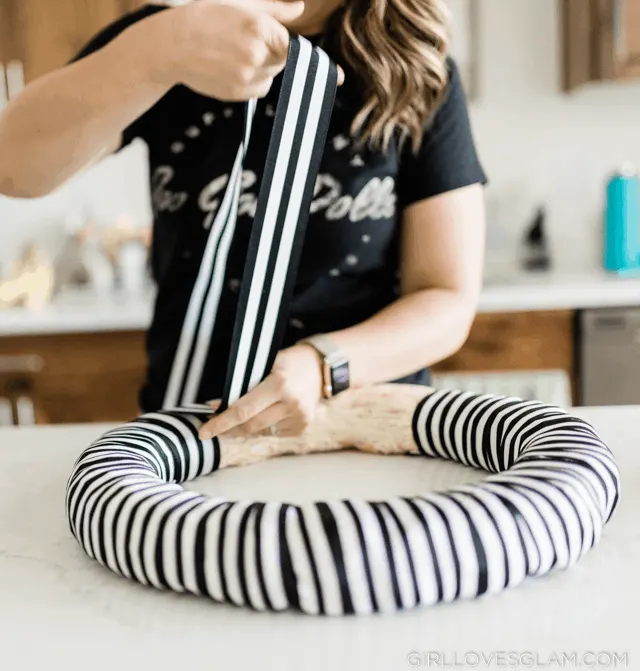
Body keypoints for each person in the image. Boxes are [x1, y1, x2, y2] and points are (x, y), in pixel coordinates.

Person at [0, 0, 487, 441]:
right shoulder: (172, 37)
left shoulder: (417, 65)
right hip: (197, 433)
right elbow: (13, 166)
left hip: (369, 431)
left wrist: (322, 366)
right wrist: (161, 48)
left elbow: (446, 298)